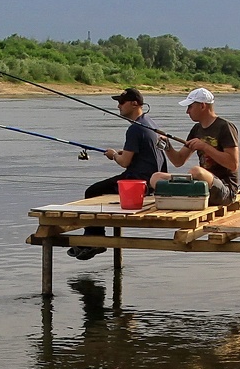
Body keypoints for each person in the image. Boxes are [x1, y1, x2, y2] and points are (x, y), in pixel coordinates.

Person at [69, 87, 168, 261]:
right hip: (151, 181)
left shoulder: (134, 129)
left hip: (137, 183)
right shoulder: (149, 123)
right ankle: (93, 239)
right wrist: (123, 153)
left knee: (92, 192)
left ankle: (94, 240)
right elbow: (142, 153)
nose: (118, 106)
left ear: (134, 103)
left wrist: (114, 155)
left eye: (121, 102)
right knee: (99, 191)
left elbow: (124, 162)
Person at [149, 87, 240, 206]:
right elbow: (178, 160)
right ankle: (185, 193)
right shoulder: (196, 129)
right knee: (156, 178)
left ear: (202, 106)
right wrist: (168, 147)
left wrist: (205, 147)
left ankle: (182, 194)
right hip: (201, 185)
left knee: (197, 171)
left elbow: (233, 164)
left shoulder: (225, 127)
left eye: (190, 107)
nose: (187, 111)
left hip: (226, 190)